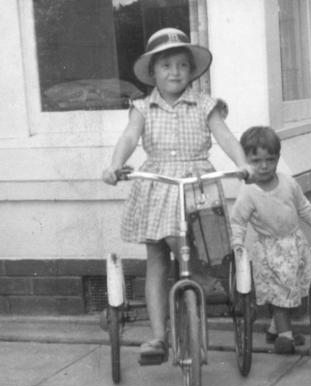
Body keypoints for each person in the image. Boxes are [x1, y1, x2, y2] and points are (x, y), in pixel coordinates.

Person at [101, 28, 250, 363]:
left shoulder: (205, 105)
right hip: (158, 185)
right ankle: (157, 336)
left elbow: (225, 137)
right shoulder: (142, 107)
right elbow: (128, 138)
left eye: (182, 65)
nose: (175, 72)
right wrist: (115, 165)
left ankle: (199, 279)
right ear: (153, 72)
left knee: (195, 249)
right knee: (157, 258)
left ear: (192, 71)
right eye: (166, 65)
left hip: (197, 184)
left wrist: (242, 164)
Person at [229, 126, 311, 354]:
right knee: (279, 292)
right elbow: (238, 220)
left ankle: (276, 327)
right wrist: (237, 244)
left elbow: (303, 206)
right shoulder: (249, 192)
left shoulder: (287, 182)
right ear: (245, 161)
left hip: (294, 244)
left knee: (292, 291)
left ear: (277, 158)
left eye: (270, 159)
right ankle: (285, 336)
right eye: (256, 161)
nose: (264, 166)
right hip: (270, 249)